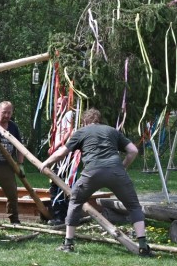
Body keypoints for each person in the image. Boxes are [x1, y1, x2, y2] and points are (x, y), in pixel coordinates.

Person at [39, 108, 152, 256]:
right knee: (134, 206)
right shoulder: (112, 131)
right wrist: (123, 167)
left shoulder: (81, 132)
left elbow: (62, 152)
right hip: (116, 172)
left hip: (92, 173)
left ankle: (68, 244)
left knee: (75, 201)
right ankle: (143, 246)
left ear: (85, 121)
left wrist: (45, 163)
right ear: (99, 120)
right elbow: (133, 151)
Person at [47, 95, 79, 226]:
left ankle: (60, 217)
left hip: (65, 158)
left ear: (68, 104)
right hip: (59, 157)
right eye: (57, 104)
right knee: (56, 184)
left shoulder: (69, 114)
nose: (57, 106)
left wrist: (55, 146)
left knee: (60, 185)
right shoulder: (60, 117)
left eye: (61, 103)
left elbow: (68, 133)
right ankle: (59, 215)